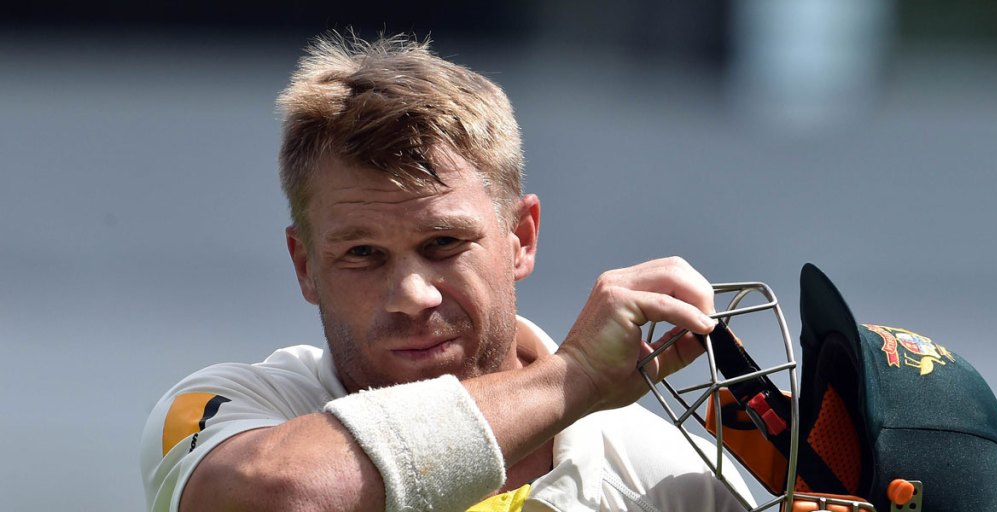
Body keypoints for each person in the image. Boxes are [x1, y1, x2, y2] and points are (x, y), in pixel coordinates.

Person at [140, 32, 753, 512]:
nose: (410, 295)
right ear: (305, 266)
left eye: (442, 242)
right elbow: (270, 501)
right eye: (361, 254)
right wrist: (577, 378)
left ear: (521, 237)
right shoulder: (229, 407)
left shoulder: (671, 474)